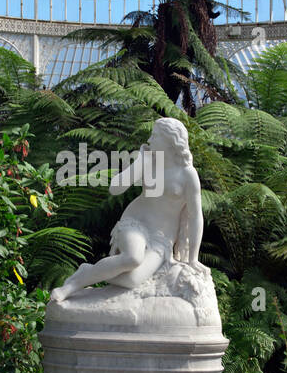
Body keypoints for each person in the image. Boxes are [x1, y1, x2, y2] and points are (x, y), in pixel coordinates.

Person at [50, 117, 203, 303]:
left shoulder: (187, 174)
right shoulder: (149, 163)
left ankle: (88, 271)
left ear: (170, 141)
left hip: (161, 239)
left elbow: (196, 216)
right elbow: (115, 188)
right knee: (132, 258)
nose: (149, 140)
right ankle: (72, 285)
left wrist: (193, 258)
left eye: (155, 136)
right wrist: (139, 162)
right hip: (136, 222)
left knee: (132, 279)